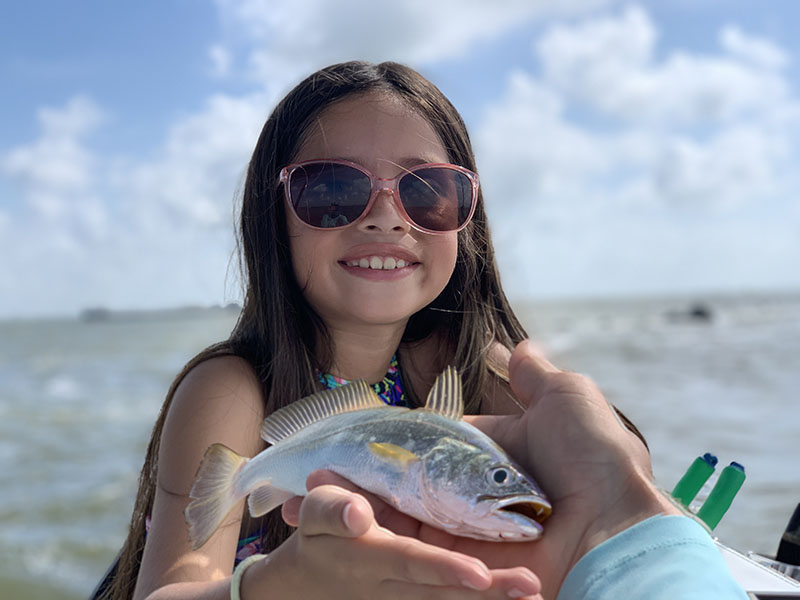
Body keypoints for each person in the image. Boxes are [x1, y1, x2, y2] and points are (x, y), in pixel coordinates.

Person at [99, 61, 746, 600]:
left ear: (467, 224)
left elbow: (601, 482)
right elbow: (171, 587)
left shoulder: (463, 366)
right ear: (273, 217)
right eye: (331, 190)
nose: (385, 217)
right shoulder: (233, 390)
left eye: (428, 192)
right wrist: (276, 585)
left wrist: (631, 521)